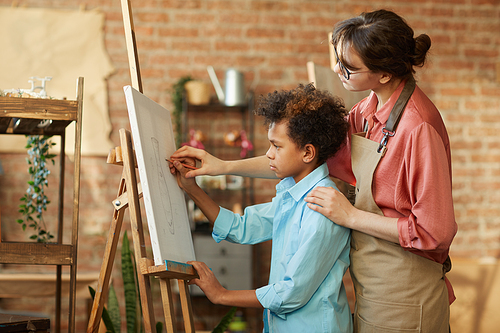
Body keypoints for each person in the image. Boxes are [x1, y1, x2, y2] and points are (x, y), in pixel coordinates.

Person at [171, 9, 458, 333]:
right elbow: (298, 157)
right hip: (372, 286)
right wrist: (221, 166)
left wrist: (351, 217)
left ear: (385, 74)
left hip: (407, 291)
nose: (338, 70)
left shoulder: (418, 127)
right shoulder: (365, 112)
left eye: (349, 67)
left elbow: (435, 232)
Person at [171, 84, 353, 333]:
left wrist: (222, 295)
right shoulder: (293, 194)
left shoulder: (323, 207)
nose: (268, 155)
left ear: (308, 152)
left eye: (277, 147)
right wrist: (192, 189)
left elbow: (290, 293)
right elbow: (241, 227)